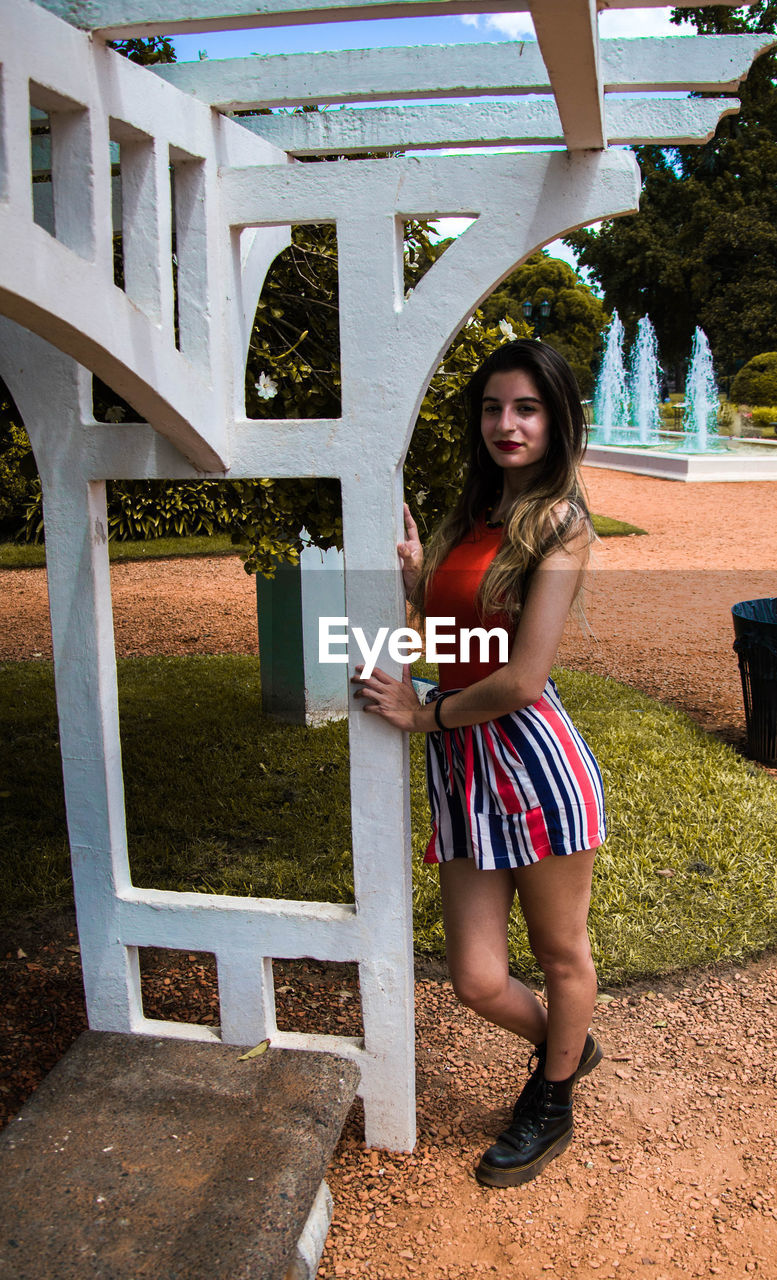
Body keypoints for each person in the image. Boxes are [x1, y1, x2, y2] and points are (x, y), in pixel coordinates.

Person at [351, 339, 606, 1188]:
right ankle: (567, 1044)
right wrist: (425, 580)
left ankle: (552, 1096)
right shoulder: (477, 512)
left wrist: (421, 713)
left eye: (526, 408)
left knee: (560, 953)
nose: (506, 423)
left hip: (531, 768)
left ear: (556, 420)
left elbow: (522, 676)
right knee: (475, 978)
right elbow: (463, 636)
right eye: (494, 407)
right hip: (465, 772)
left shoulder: (561, 524)